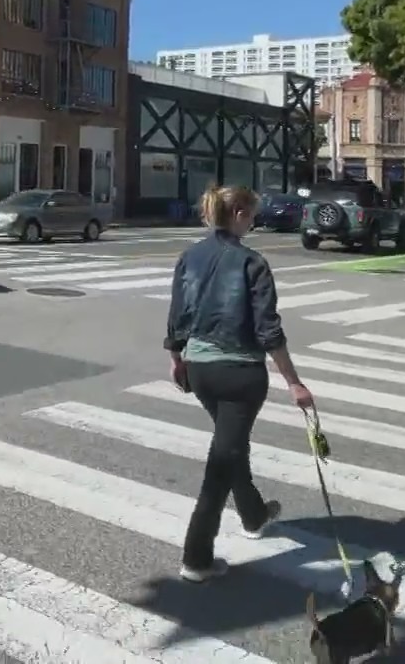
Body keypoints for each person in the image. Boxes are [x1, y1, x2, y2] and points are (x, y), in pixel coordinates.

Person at [163, 183, 314, 584]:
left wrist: (177, 358)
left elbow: (177, 315)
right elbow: (269, 331)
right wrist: (294, 383)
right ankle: (197, 557)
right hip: (240, 373)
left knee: (231, 445)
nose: (254, 221)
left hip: (199, 369)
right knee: (221, 461)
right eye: (252, 214)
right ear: (240, 215)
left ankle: (254, 514)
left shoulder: (189, 256)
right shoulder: (252, 262)